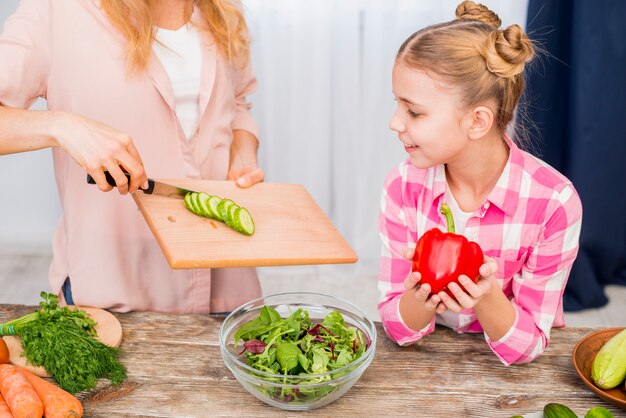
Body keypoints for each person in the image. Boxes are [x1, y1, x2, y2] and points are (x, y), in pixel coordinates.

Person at [0, 0, 264, 313]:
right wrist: (62, 125)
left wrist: (244, 152)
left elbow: (239, 102)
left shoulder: (223, 10)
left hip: (227, 284)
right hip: (113, 294)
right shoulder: (55, 11)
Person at [378, 1, 583, 365]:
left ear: (477, 121)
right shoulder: (401, 188)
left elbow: (529, 347)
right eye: (397, 105)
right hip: (429, 361)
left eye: (413, 111)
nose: (395, 123)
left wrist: (486, 298)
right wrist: (418, 299)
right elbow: (397, 329)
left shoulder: (554, 204)